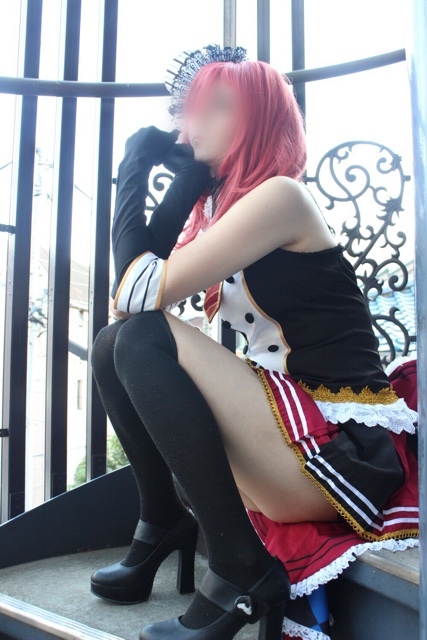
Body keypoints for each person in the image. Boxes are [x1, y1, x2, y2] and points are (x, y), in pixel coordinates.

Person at [89, 45, 419, 640]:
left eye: (219, 106)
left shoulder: (281, 197)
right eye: (195, 107)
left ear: (259, 120)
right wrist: (191, 176)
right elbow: (129, 295)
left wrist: (135, 163)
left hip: (340, 450)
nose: (196, 119)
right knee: (115, 343)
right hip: (286, 436)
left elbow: (138, 295)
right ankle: (161, 521)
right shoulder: (230, 208)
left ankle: (240, 568)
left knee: (139, 338)